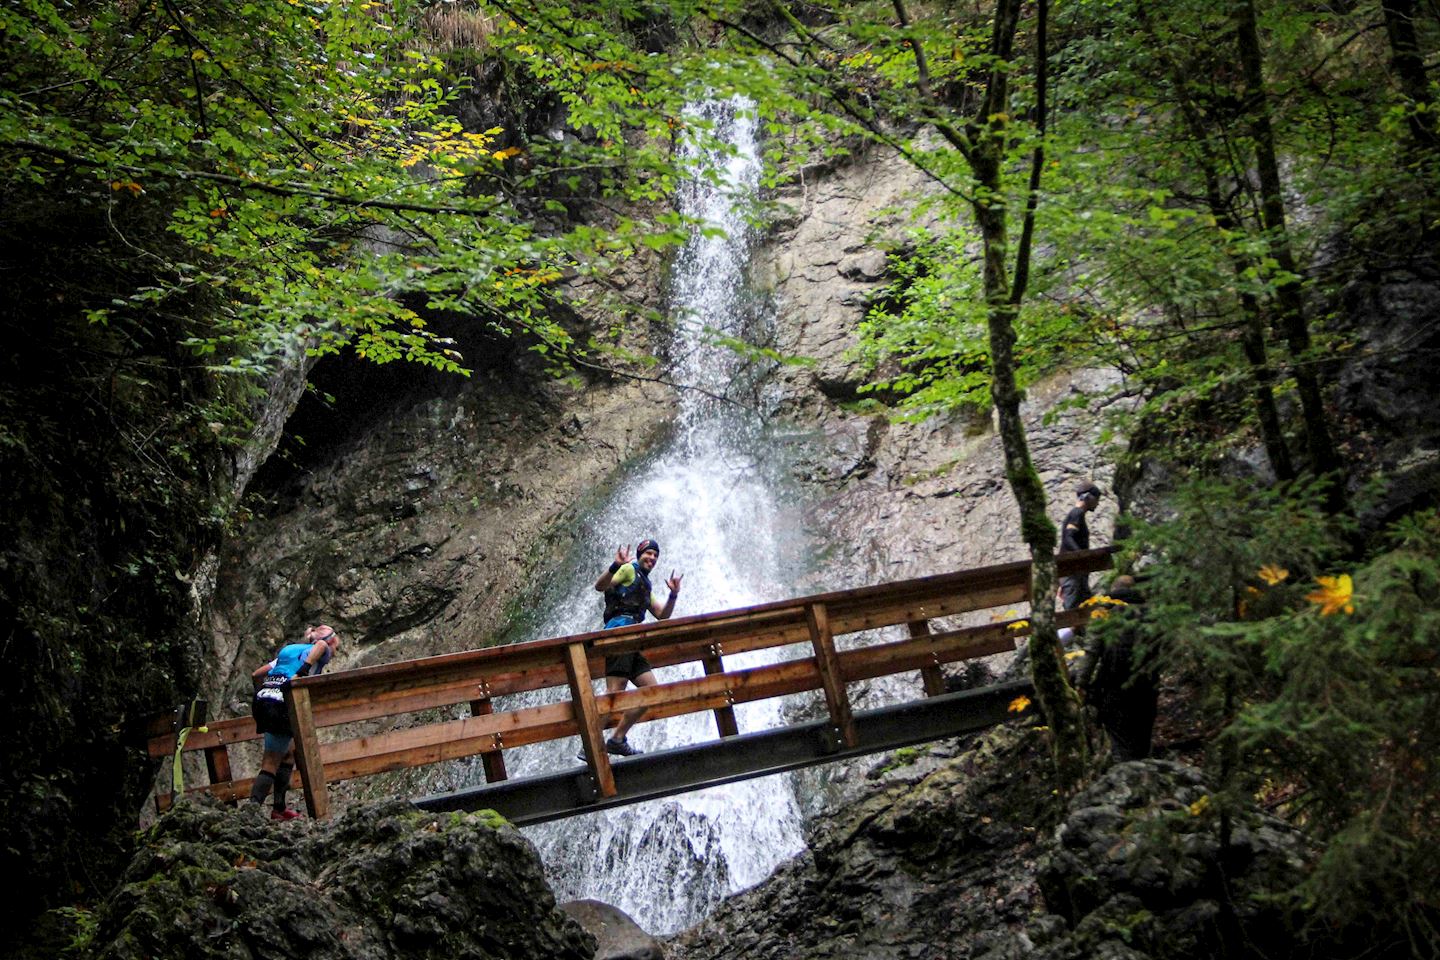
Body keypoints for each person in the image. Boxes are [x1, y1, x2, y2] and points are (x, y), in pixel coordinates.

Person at [591, 538, 682, 756]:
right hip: (619, 633)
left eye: (655, 555)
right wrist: (615, 566)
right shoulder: (628, 570)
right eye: (648, 553)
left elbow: (662, 615)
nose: (652, 558)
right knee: (615, 691)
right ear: (640, 554)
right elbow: (600, 586)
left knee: (652, 691)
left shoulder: (644, 584)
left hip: (633, 638)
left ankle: (617, 739)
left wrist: (673, 594)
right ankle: (591, 745)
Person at [249, 624, 340, 820]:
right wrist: (303, 672)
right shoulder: (321, 651)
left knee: (288, 753)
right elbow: (322, 646)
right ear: (331, 641)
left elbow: (256, 674)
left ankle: (279, 808)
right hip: (282, 704)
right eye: (337, 648)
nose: (334, 653)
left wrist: (261, 694)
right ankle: (251, 810)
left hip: (264, 699)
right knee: (271, 762)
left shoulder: (289, 650)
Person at [1080, 576, 1158, 761]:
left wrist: (1081, 683)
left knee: (1120, 739)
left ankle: (1124, 776)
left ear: (1113, 591)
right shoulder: (1152, 614)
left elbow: (1091, 653)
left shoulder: (1104, 614)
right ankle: (1145, 776)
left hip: (1114, 686)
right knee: (1142, 737)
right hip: (1147, 685)